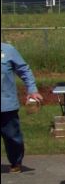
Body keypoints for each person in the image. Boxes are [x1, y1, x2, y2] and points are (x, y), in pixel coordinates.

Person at [1, 43, 43, 173]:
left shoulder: (8, 50)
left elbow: (24, 69)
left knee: (12, 137)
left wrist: (32, 89)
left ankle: (15, 162)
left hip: (6, 104)